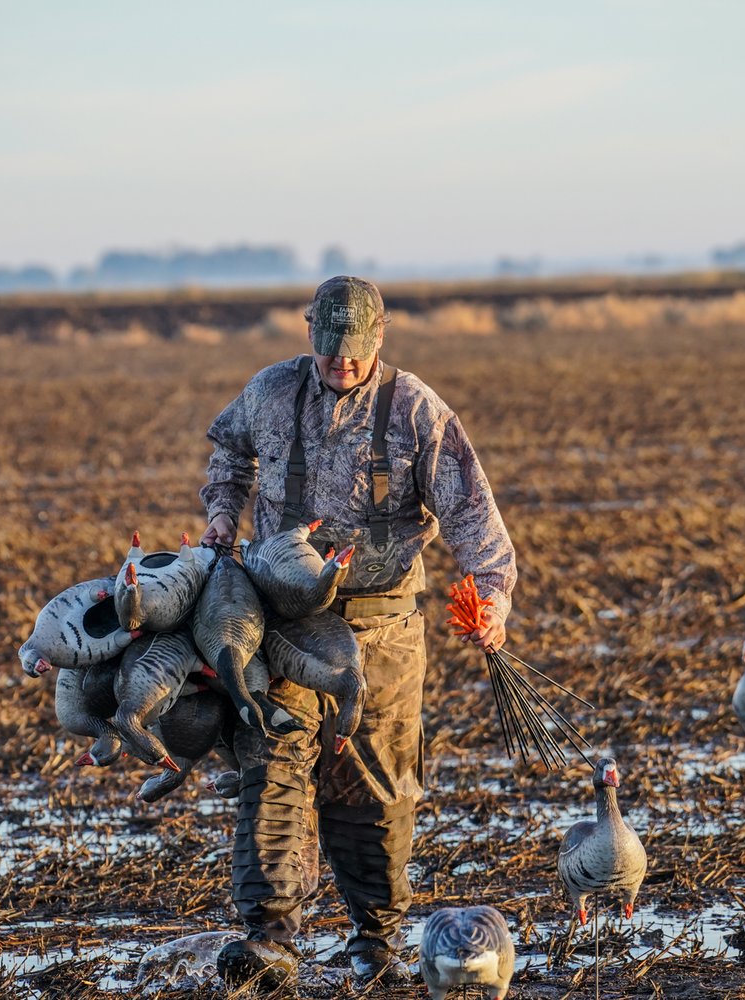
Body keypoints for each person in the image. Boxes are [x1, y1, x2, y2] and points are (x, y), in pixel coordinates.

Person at [199, 275, 516, 992]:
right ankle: (271, 940)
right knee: (271, 770)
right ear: (311, 332)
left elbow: (472, 514)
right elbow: (228, 451)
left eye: (355, 350)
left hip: (383, 634)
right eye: (330, 346)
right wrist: (223, 511)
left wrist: (491, 597)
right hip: (282, 627)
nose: (342, 362)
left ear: (381, 337)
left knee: (371, 790)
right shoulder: (271, 391)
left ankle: (374, 943)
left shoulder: (416, 411)